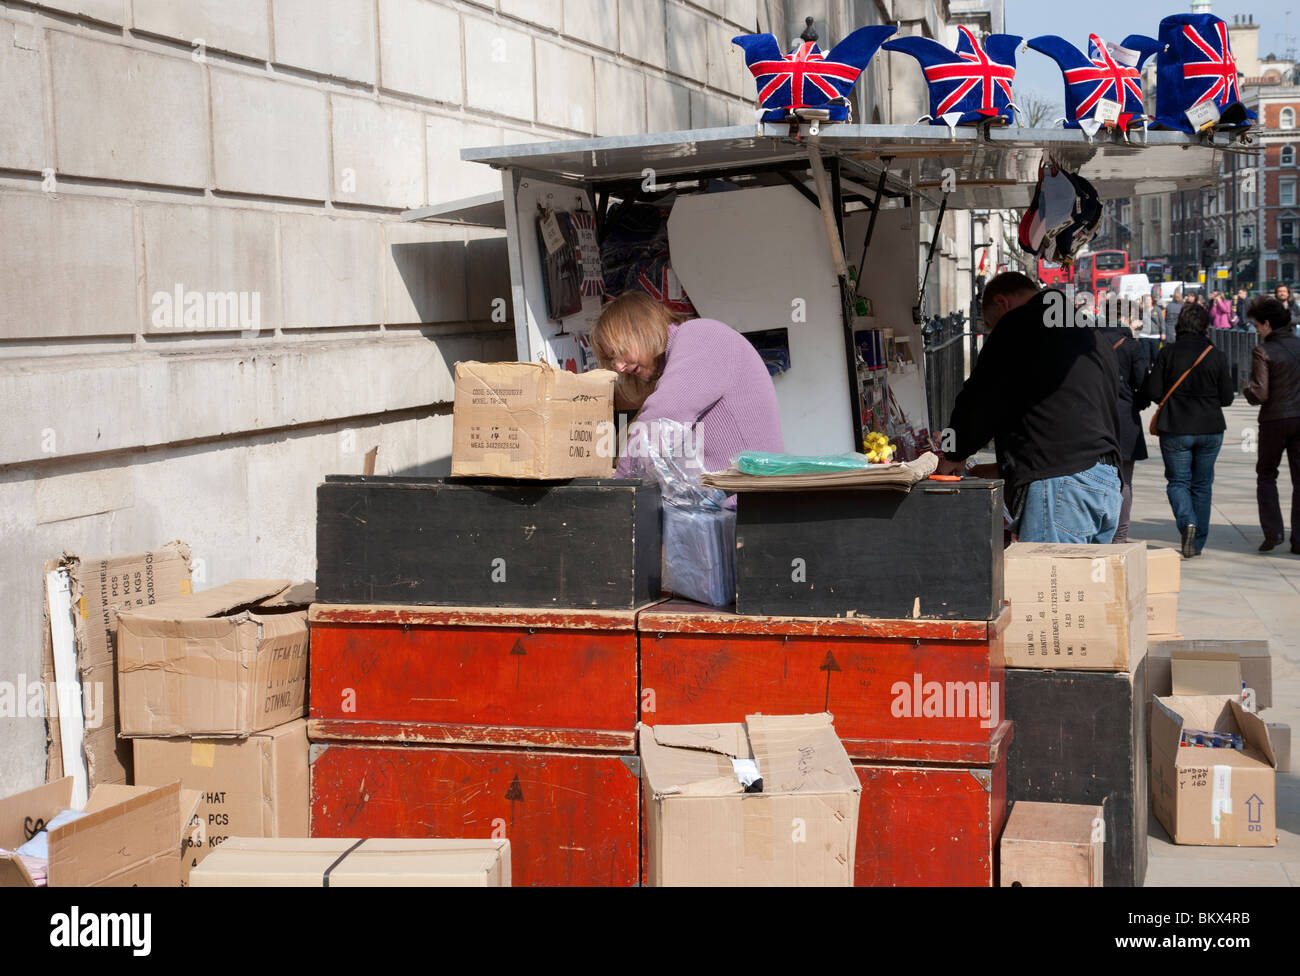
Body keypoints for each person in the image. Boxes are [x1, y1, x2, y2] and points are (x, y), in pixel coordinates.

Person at [937, 272, 1123, 544]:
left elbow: (981, 396)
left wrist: (952, 451)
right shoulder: (1086, 331)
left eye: (991, 326)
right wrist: (1004, 467)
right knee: (1080, 586)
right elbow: (1058, 418)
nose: (993, 332)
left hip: (1060, 486)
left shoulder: (1019, 323)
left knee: (1050, 585)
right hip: (1104, 481)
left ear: (1002, 303)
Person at [590, 291, 783, 477]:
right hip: (733, 497)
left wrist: (620, 488)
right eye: (612, 359)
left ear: (641, 331)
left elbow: (661, 421)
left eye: (619, 352)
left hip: (745, 500)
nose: (619, 367)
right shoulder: (684, 351)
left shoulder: (701, 336)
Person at [1141, 303, 1236, 558]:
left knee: (1178, 482)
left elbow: (1152, 391)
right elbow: (1227, 398)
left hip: (1176, 426)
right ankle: (1197, 542)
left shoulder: (1168, 353)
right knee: (1202, 485)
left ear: (1178, 324)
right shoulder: (1216, 354)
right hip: (1210, 428)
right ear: (1206, 326)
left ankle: (1187, 523)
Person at [1243, 296, 1300, 553]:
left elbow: (1260, 393)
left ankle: (1273, 531)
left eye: (1256, 326)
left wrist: (1247, 389)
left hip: (1274, 420)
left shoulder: (1263, 351)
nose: (1256, 331)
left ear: (1267, 324)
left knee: (1267, 475)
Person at [1099, 319, 1151, 543]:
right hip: (1125, 417)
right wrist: (1137, 403)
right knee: (1125, 480)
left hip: (1096, 416)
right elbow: (1143, 382)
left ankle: (1099, 530)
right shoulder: (1132, 346)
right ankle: (1120, 534)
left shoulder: (1092, 344)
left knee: (1095, 476)